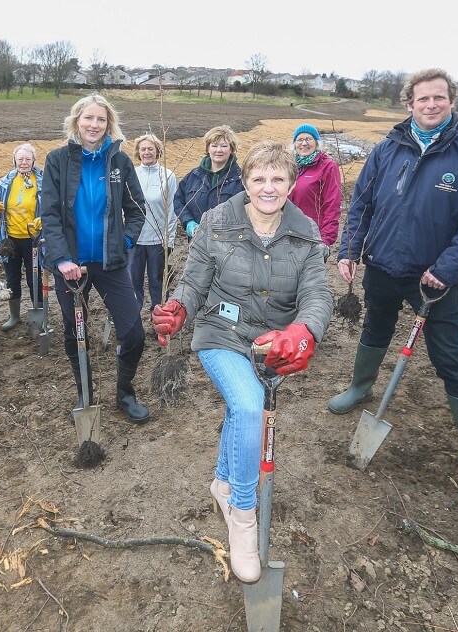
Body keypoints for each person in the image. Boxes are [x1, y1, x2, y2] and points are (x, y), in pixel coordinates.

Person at [152, 141, 332, 583]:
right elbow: (194, 282)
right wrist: (178, 307)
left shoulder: (306, 233)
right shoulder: (215, 223)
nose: (268, 188)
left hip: (275, 343)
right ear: (244, 181)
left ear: (291, 183)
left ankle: (221, 481)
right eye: (258, 179)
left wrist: (304, 330)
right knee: (251, 407)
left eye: (278, 179)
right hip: (221, 333)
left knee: (241, 411)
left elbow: (317, 294)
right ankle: (243, 515)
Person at [330, 68, 458, 508]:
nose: (430, 105)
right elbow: (362, 203)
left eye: (438, 98)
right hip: (384, 266)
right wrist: (349, 250)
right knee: (376, 328)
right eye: (422, 99)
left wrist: (445, 269)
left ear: (451, 102)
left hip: (434, 280)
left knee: (452, 361)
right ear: (409, 104)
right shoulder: (387, 150)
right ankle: (360, 386)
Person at [38, 93, 151, 424]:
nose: (94, 124)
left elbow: (136, 208)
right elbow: (50, 214)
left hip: (110, 263)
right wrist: (61, 260)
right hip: (70, 267)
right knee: (76, 332)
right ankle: (84, 393)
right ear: (77, 121)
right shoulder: (58, 160)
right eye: (88, 118)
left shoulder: (120, 162)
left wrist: (126, 240)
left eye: (100, 119)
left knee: (134, 333)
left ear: (108, 124)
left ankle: (125, 393)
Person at [0, 143, 45, 332]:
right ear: (14, 161)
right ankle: (14, 316)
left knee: (34, 278)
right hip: (9, 240)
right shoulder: (5, 183)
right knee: (12, 279)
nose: (24, 162)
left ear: (33, 161)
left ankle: (40, 313)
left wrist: (43, 219)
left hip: (34, 239)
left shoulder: (43, 181)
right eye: (20, 159)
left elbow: (53, 207)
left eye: (28, 159)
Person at [129, 133, 178, 311]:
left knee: (158, 284)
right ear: (138, 152)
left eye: (151, 149)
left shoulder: (168, 176)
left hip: (158, 241)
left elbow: (172, 210)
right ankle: (133, 320)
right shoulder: (131, 175)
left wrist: (169, 240)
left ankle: (159, 321)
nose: (147, 152)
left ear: (158, 151)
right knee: (133, 283)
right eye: (143, 149)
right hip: (135, 240)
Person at [174, 125, 245, 239]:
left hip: (229, 243)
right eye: (214, 145)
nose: (219, 150)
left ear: (231, 149)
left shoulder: (241, 179)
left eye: (224, 146)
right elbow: (178, 201)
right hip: (196, 241)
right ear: (208, 149)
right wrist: (188, 222)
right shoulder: (193, 175)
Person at [288, 123, 343, 247]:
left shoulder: (327, 166)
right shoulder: (289, 165)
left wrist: (325, 240)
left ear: (317, 142)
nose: (304, 143)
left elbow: (332, 205)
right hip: (287, 235)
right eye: (300, 139)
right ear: (294, 144)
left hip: (312, 237)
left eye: (309, 139)